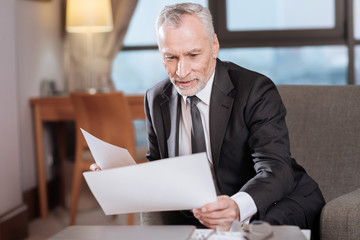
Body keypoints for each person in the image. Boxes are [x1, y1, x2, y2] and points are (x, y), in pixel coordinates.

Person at [92, 2, 325, 237]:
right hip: (203, 218)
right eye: (170, 57)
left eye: (193, 55)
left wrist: (236, 207)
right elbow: (160, 170)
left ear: (214, 46)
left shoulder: (255, 90)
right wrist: (118, 177)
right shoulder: (156, 99)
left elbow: (276, 169)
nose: (181, 71)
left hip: (274, 204)